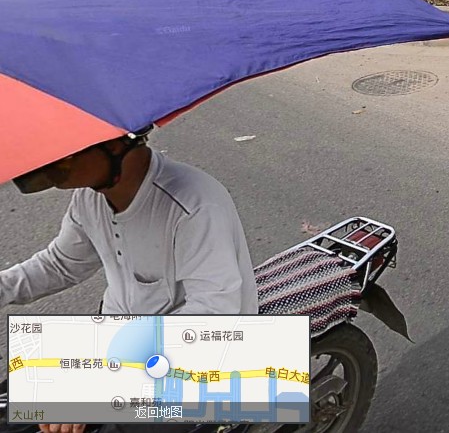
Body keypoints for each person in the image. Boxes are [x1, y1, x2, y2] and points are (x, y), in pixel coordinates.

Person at [1, 130, 259, 433]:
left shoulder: (194, 205)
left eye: (65, 154)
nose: (52, 161)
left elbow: (214, 314)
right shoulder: (89, 198)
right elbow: (60, 264)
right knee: (14, 406)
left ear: (113, 144)